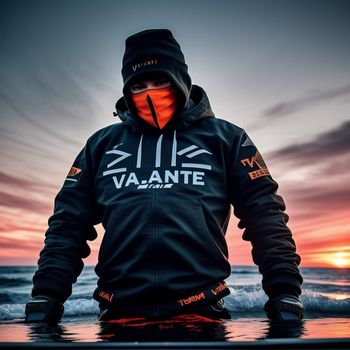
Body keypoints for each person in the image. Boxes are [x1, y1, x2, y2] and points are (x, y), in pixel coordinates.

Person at [25, 29, 304, 323]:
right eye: (138, 85)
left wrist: (284, 291)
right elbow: (69, 224)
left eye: (160, 81)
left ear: (181, 81)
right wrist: (47, 294)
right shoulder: (101, 145)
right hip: (119, 313)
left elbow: (265, 215)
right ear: (126, 90)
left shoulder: (227, 139)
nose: (150, 93)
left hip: (202, 310)